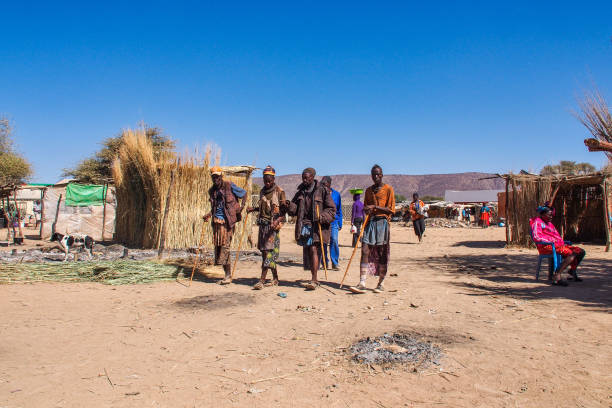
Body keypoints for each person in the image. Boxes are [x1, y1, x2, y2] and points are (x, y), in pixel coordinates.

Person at [287, 167, 336, 290]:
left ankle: (314, 279)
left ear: (313, 177)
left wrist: (322, 216)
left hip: (317, 226)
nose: (304, 180)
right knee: (309, 250)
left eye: (306, 178)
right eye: (303, 177)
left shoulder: (322, 190)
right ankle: (313, 276)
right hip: (305, 225)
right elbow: (294, 210)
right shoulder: (300, 191)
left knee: (314, 249)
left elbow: (331, 209)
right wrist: (288, 205)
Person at [349, 165, 395, 294]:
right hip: (370, 222)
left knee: (382, 252)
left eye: (378, 174)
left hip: (382, 222)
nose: (375, 177)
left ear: (381, 175)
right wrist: (367, 209)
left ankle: (381, 282)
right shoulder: (368, 190)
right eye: (373, 174)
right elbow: (365, 207)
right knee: (364, 250)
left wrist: (374, 207)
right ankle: (362, 282)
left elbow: (391, 210)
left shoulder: (388, 189)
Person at [203, 166, 248, 285]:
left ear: (221, 176)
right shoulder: (212, 191)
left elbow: (244, 194)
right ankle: (226, 275)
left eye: (217, 176)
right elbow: (214, 207)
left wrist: (241, 208)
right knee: (218, 248)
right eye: (213, 177)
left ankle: (228, 276)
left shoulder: (229, 185)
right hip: (217, 223)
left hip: (228, 223)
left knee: (225, 247)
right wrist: (209, 214)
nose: (215, 179)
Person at [247, 166, 287, 290]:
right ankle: (275, 278)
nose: (267, 183)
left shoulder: (279, 191)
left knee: (268, 253)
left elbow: (284, 211)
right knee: (265, 253)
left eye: (269, 180)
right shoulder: (262, 191)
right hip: (263, 225)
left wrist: (277, 222)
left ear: (273, 179)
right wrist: (253, 209)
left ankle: (262, 280)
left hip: (273, 227)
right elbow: (264, 207)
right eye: (265, 180)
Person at [530, 206, 586, 286]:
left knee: (580, 251)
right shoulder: (537, 222)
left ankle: (572, 271)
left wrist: (562, 242)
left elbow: (557, 236)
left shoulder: (549, 224)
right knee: (570, 253)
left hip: (557, 245)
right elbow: (536, 237)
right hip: (546, 247)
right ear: (543, 214)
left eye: (552, 215)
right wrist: (551, 241)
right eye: (549, 215)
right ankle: (557, 275)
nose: (551, 217)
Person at [320, 176, 342, 270]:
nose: (323, 186)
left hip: (334, 222)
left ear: (329, 184)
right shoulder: (320, 195)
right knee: (323, 242)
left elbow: (339, 209)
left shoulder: (336, 195)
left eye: (325, 184)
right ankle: (324, 262)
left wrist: (340, 222)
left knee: (334, 240)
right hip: (324, 222)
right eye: (322, 185)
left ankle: (335, 262)